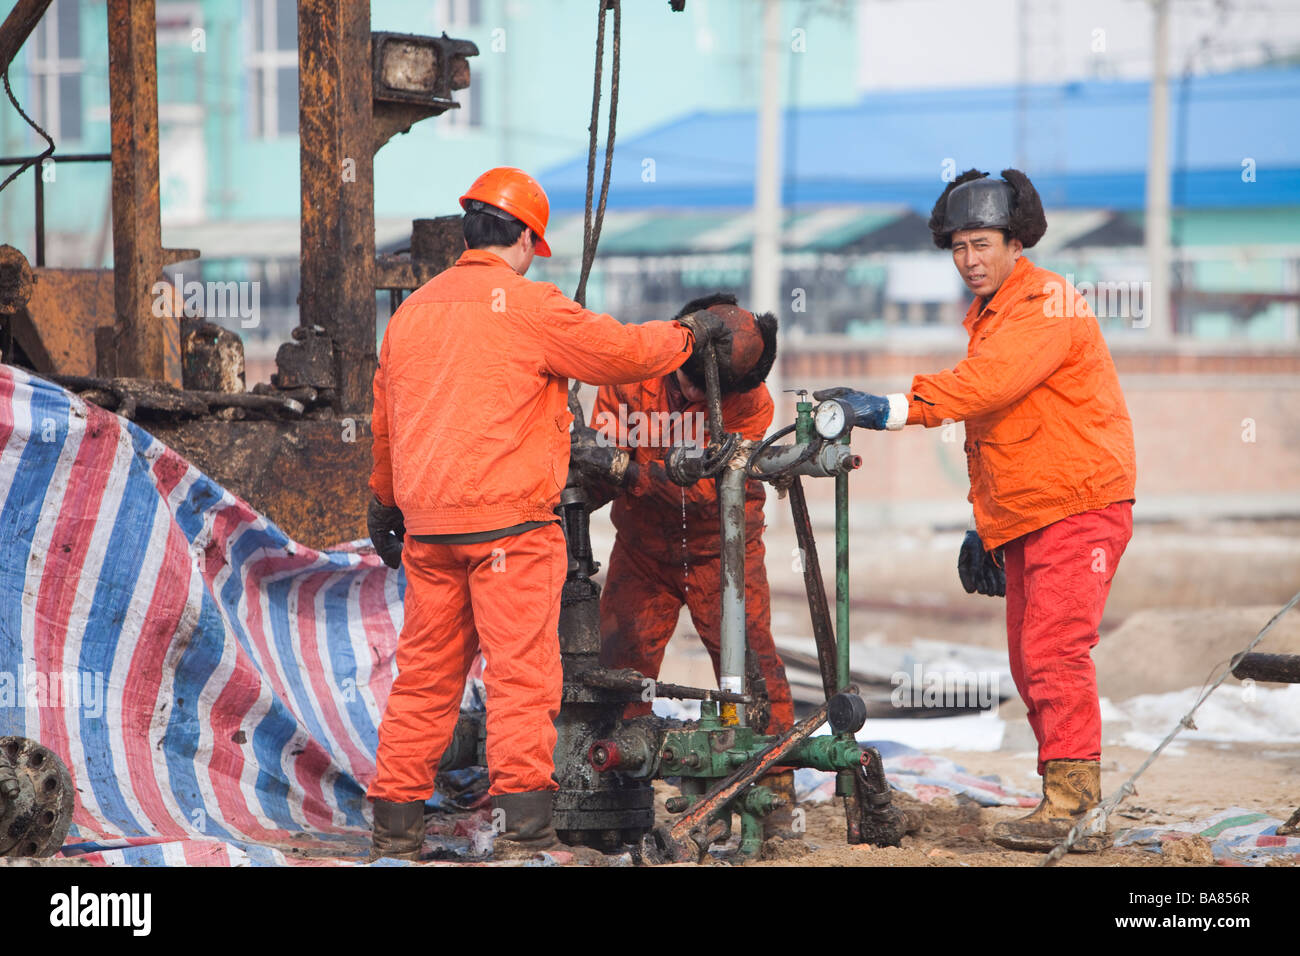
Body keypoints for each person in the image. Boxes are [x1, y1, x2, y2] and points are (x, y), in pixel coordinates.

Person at [364, 167, 731, 861]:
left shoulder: (413, 312)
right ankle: (526, 837)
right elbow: (622, 352)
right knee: (522, 682)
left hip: (431, 530)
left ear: (469, 230)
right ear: (528, 238)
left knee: (424, 681)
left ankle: (394, 832)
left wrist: (385, 501)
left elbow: (384, 421)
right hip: (510, 529)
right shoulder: (529, 305)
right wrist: (689, 334)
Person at [816, 168, 1136, 852]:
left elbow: (984, 388)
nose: (970, 260)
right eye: (960, 247)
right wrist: (985, 521)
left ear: (1015, 241)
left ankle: (1076, 810)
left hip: (1076, 506)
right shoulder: (996, 315)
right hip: (1032, 509)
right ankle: (1064, 797)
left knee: (1054, 651)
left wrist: (892, 408)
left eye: (983, 243)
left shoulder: (1047, 303)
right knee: (1029, 657)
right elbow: (1001, 430)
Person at [569, 293, 800, 840]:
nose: (692, 394)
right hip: (643, 547)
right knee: (619, 663)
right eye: (686, 381)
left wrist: (649, 469)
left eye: (705, 389)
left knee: (749, 663)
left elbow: (714, 481)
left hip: (721, 548)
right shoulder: (633, 367)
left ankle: (773, 789)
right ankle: (616, 785)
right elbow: (603, 455)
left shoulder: (752, 401)